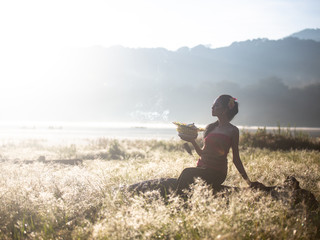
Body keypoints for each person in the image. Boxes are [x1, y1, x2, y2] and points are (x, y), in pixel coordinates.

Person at [176, 94, 256, 196]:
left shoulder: (232, 130)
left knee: (187, 173)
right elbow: (202, 153)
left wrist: (248, 181)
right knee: (183, 179)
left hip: (217, 172)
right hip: (202, 168)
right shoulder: (210, 128)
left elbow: (236, 159)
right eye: (213, 105)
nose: (212, 107)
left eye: (216, 105)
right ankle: (182, 201)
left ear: (225, 109)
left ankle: (180, 203)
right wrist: (192, 141)